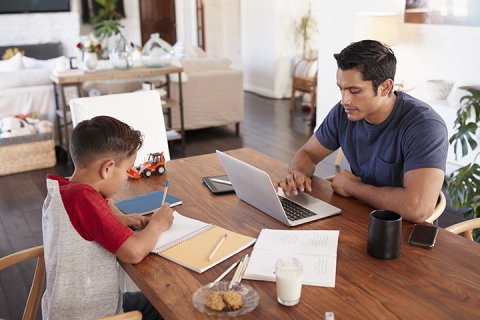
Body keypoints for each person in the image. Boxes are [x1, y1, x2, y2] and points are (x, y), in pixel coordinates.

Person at [276, 40, 448, 223]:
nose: (344, 100)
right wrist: (298, 172)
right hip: (359, 215)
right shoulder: (343, 113)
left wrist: (352, 187)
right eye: (341, 89)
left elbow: (417, 208)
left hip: (402, 230)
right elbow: (309, 153)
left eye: (354, 90)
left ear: (385, 87)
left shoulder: (425, 126)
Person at [42, 116, 174, 319]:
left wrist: (118, 217)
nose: (129, 176)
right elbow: (133, 252)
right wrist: (158, 223)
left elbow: (99, 203)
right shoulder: (84, 199)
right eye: (127, 170)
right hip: (95, 314)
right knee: (170, 304)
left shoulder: (65, 188)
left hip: (66, 309)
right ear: (107, 168)